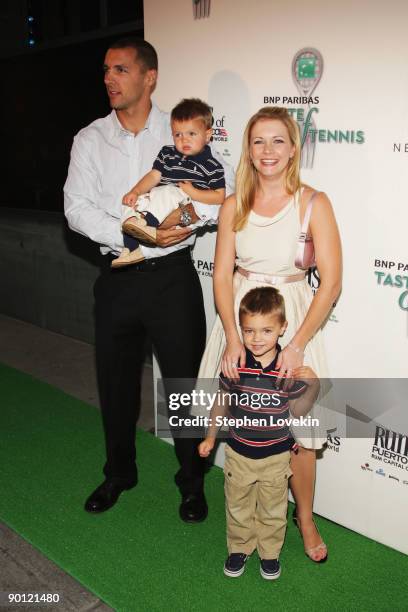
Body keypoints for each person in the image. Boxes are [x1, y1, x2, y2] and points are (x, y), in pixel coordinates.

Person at [63, 37, 233, 522]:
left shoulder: (182, 129)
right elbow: (76, 207)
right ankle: (119, 473)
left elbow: (221, 191)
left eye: (120, 69)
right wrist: (129, 231)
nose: (109, 79)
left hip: (173, 281)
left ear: (149, 77)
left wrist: (185, 220)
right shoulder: (90, 139)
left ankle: (191, 482)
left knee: (182, 389)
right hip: (117, 276)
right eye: (105, 71)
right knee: (115, 385)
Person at [198, 106, 342, 560]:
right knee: (245, 419)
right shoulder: (232, 205)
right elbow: (221, 276)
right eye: (259, 141)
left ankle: (304, 518)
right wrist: (233, 339)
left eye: (278, 140)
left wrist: (296, 343)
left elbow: (332, 281)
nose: (268, 151)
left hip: (295, 318)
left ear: (294, 148)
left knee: (299, 426)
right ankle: (249, 516)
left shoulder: (314, 202)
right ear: (248, 148)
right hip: (242, 320)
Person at [199, 287, 320, 579]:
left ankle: (269, 553)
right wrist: (210, 436)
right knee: (238, 506)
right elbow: (222, 402)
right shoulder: (235, 364)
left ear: (282, 328)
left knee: (273, 510)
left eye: (266, 330)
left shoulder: (285, 369)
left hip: (277, 458)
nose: (256, 339)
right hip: (238, 453)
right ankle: (238, 548)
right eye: (249, 330)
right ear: (240, 329)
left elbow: (299, 411)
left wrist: (314, 385)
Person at [113, 98, 225, 267]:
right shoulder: (167, 153)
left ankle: (147, 225)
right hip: (158, 198)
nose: (184, 140)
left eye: (191, 134)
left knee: (169, 191)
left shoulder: (212, 165)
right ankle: (131, 249)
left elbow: (220, 196)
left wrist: (193, 192)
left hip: (182, 200)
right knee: (130, 203)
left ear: (208, 135)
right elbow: (153, 176)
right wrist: (135, 192)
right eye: (178, 134)